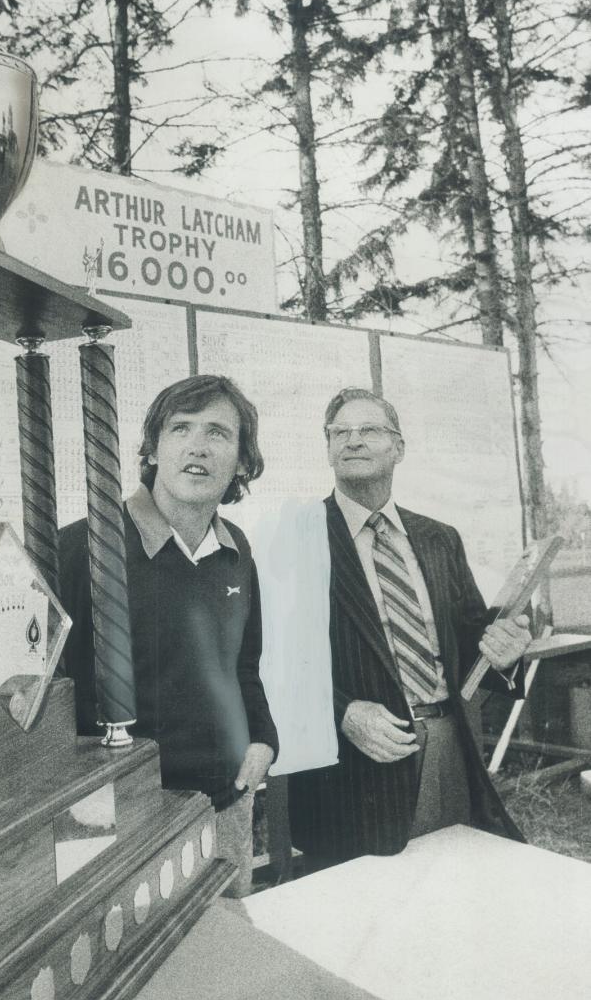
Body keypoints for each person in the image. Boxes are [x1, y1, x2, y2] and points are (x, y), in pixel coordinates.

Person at [289, 387, 531, 864]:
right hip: (354, 765)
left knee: (451, 890)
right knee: (368, 916)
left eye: (369, 430)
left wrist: (504, 653)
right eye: (340, 432)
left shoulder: (439, 538)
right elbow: (270, 660)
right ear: (329, 448)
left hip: (449, 744)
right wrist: (340, 712)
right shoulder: (296, 538)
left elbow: (471, 639)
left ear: (399, 447)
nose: (353, 440)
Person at [60, 375, 278, 896]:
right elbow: (48, 700)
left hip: (225, 804)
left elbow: (243, 666)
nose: (197, 446)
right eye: (181, 429)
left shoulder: (236, 549)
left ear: (242, 463)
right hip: (115, 820)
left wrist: (264, 739)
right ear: (153, 449)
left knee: (225, 955)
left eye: (218, 433)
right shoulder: (85, 547)